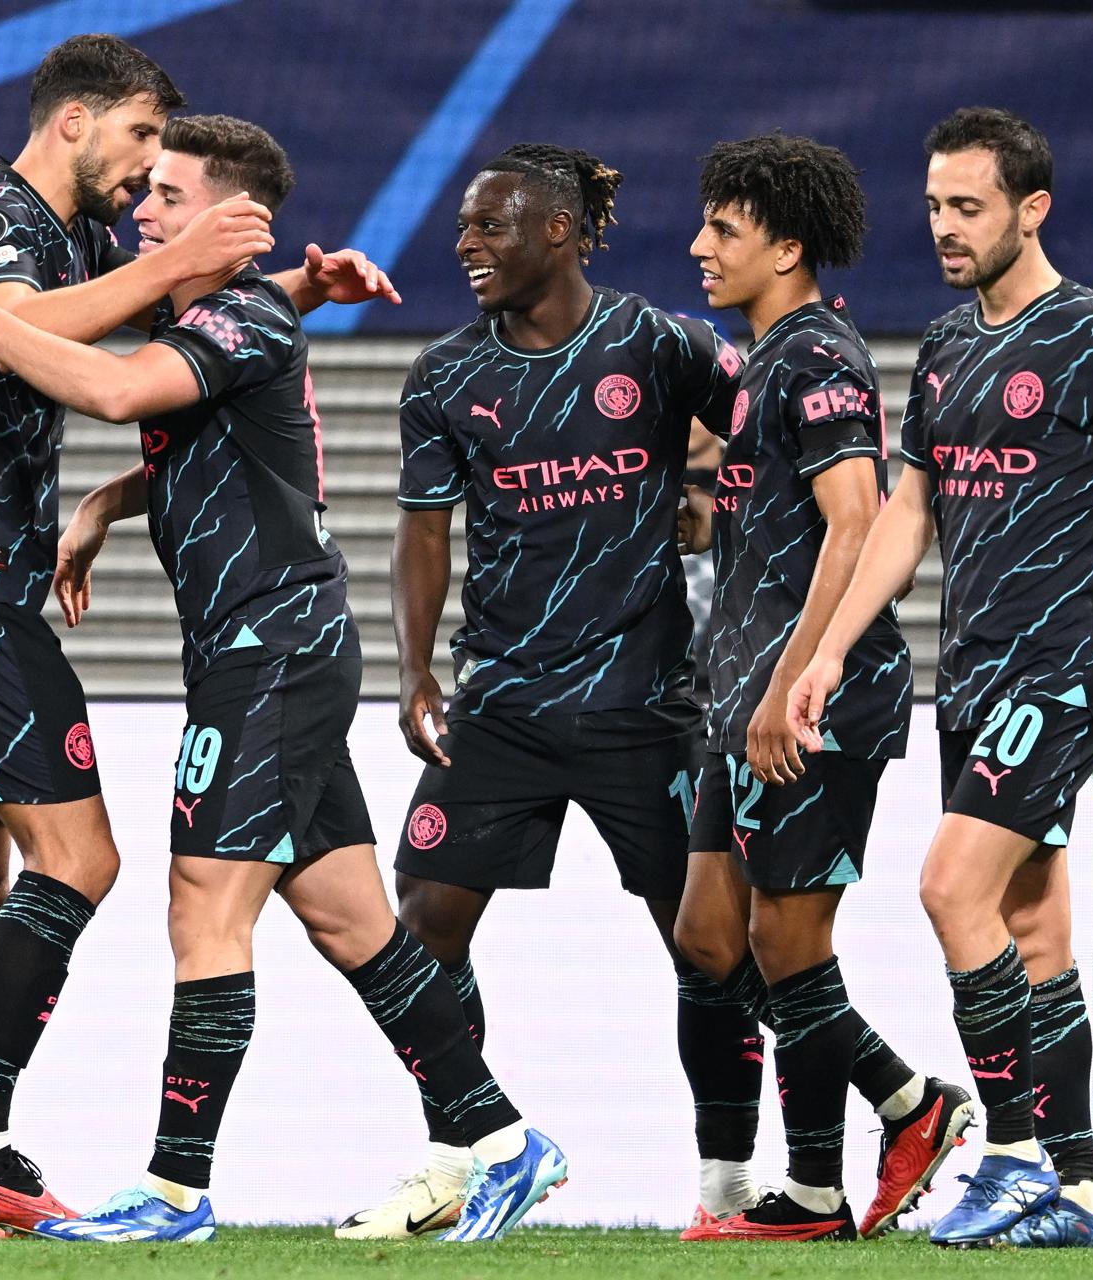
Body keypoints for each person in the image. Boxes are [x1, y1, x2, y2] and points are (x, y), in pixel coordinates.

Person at [0, 114, 567, 1244]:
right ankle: (502, 1138)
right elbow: (208, 450)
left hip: (273, 655)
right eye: (144, 190)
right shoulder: (238, 314)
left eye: (166, 193)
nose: (142, 211)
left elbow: (114, 392)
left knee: (203, 904)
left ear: (223, 217)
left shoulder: (237, 315)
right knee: (354, 921)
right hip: (273, 648)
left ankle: (173, 1189)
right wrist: (109, 500)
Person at [0, 34, 394, 1239]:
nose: (147, 175)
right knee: (80, 861)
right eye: (141, 139)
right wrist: (183, 259)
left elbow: (143, 338)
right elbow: (58, 338)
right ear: (76, 120)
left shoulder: (77, 237)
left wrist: (284, 292)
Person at [786, 107, 1093, 1249]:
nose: (945, 227)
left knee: (948, 889)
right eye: (934, 206)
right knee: (1031, 932)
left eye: (967, 207)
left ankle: (1014, 1156)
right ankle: (1078, 1188)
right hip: (973, 673)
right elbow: (907, 512)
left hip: (1062, 669)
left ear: (1033, 209)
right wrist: (829, 646)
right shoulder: (944, 345)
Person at [343, 142, 756, 1240]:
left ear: (561, 230)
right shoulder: (443, 377)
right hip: (504, 698)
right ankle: (465, 1152)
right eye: (466, 228)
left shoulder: (662, 344)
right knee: (423, 917)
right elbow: (420, 535)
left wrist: (724, 514)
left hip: (646, 700)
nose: (467, 243)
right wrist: (417, 666)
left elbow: (774, 436)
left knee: (707, 944)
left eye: (492, 225)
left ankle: (729, 1184)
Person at [671, 133, 973, 1243]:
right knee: (709, 933)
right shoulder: (761, 363)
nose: (699, 246)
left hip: (807, 703)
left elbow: (857, 520)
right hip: (737, 697)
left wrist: (793, 677)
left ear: (788, 245)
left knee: (790, 945)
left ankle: (815, 1190)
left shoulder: (819, 359)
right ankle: (907, 1100)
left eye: (726, 230)